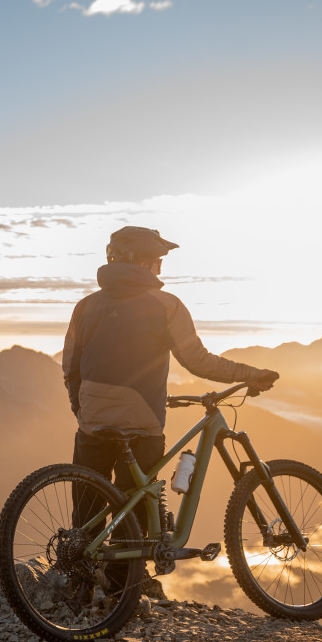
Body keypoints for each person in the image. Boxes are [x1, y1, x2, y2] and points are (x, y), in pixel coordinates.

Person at [62, 226, 279, 532]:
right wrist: (251, 375)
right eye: (157, 260)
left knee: (86, 512)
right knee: (134, 516)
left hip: (92, 418)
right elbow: (197, 361)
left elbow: (71, 366)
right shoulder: (166, 305)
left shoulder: (85, 306)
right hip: (142, 423)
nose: (160, 268)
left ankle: (80, 559)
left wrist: (81, 408)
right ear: (142, 261)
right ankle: (127, 560)